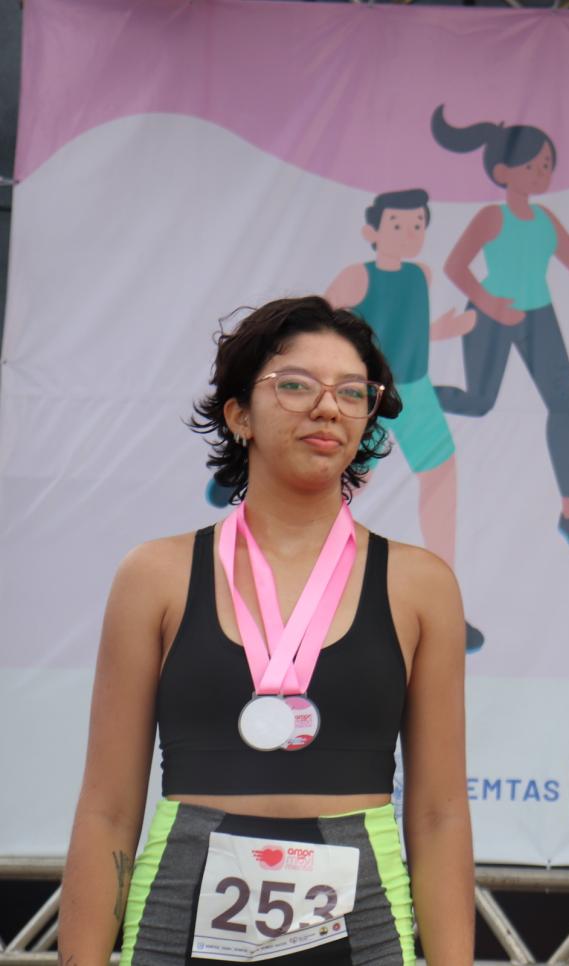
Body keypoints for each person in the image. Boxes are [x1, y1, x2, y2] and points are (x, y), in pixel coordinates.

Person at [59, 297, 474, 966]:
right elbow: (107, 809)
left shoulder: (420, 585)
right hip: (175, 926)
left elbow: (439, 816)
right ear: (239, 415)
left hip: (364, 931)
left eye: (352, 392)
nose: (327, 408)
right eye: (296, 385)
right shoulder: (154, 577)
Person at [429, 108, 569, 557]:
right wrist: (490, 303)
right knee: (479, 401)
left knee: (564, 404)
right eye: (532, 165)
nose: (540, 173)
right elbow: (456, 266)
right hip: (491, 314)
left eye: (546, 165)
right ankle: (413, 393)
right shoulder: (491, 217)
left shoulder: (545, 218)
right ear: (502, 172)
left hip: (539, 315)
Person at [323, 188, 484, 652]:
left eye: (417, 225)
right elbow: (316, 329)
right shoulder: (357, 276)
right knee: (343, 484)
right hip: (368, 393)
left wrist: (444, 330)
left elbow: (407, 329)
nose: (408, 232)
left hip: (415, 390)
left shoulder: (421, 275)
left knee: (441, 478)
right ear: (372, 230)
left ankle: (446, 606)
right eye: (397, 224)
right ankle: (317, 590)